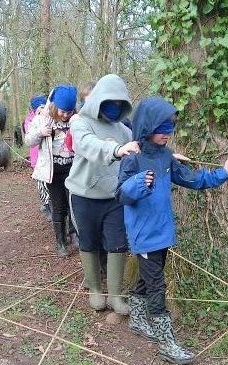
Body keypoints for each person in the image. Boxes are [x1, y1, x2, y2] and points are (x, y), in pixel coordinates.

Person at [116, 96, 228, 365]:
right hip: (144, 234)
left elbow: (191, 178)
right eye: (162, 129)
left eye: (170, 128)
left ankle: (137, 319)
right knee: (157, 285)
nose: (167, 134)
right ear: (147, 127)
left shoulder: (166, 156)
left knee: (150, 277)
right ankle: (167, 343)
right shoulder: (133, 158)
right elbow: (121, 194)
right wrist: (139, 183)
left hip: (163, 231)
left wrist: (221, 174)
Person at [65, 74, 140, 314]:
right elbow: (87, 145)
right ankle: (96, 290)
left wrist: (166, 157)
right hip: (84, 195)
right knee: (89, 241)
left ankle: (116, 296)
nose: (114, 108)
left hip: (114, 197)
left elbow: (141, 150)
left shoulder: (123, 130)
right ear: (98, 99)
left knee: (117, 244)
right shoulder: (80, 122)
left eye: (119, 104)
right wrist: (116, 150)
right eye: (110, 102)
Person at [25, 85, 78, 257]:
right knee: (59, 206)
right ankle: (60, 241)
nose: (65, 115)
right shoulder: (43, 119)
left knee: (72, 204)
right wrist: (40, 133)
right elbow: (29, 140)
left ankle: (74, 234)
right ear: (55, 107)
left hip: (73, 170)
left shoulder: (76, 119)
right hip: (53, 172)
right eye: (62, 111)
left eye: (69, 112)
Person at [22, 95, 51, 221]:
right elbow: (29, 137)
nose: (42, 110)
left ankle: (51, 203)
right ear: (34, 109)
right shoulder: (30, 120)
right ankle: (46, 204)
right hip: (36, 158)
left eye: (44, 107)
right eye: (40, 107)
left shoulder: (49, 118)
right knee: (41, 183)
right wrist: (40, 130)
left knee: (49, 183)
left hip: (48, 158)